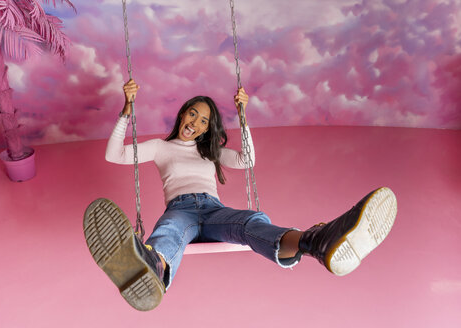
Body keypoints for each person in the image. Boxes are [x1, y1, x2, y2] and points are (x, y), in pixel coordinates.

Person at [83, 79, 397, 311]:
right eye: (192, 114)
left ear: (207, 129)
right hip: (180, 210)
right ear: (182, 115)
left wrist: (243, 116)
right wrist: (126, 111)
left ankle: (315, 242)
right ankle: (151, 268)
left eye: (203, 121)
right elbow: (114, 154)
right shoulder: (160, 147)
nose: (195, 123)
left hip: (214, 211)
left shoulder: (212, 152)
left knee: (250, 222)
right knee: (170, 231)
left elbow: (247, 160)